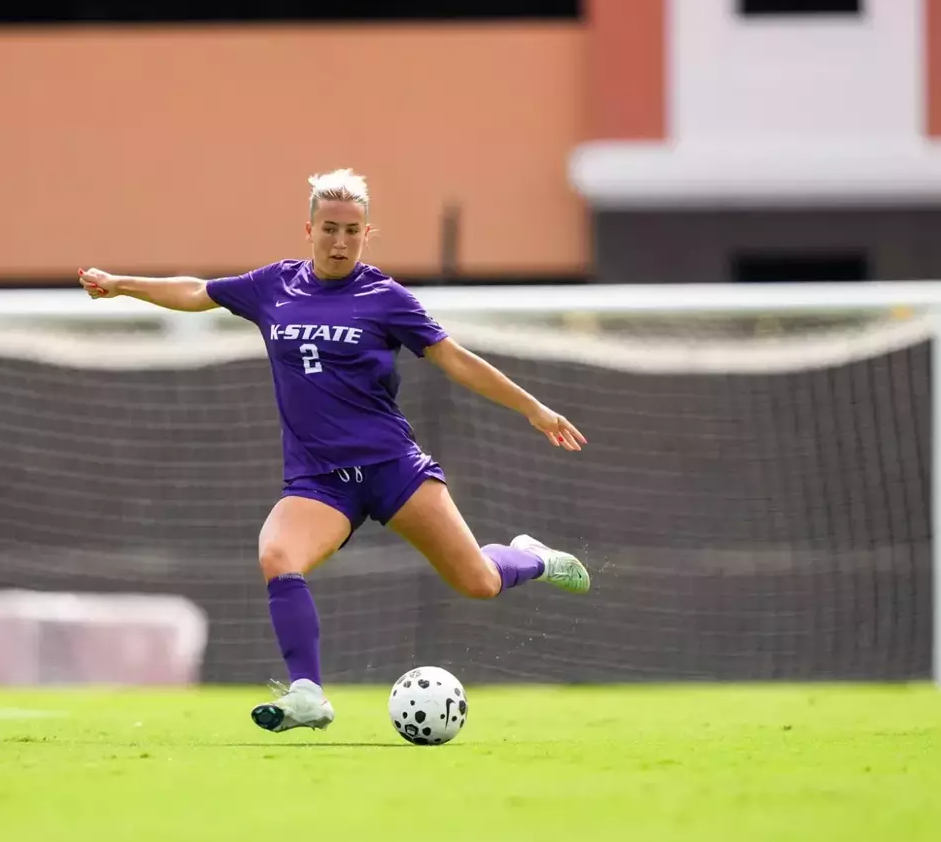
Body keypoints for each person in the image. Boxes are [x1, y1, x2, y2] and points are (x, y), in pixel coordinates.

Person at [79, 168, 589, 733]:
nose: (340, 241)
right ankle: (307, 694)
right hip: (320, 481)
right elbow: (198, 292)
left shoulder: (385, 298)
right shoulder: (273, 286)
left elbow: (455, 358)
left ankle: (534, 557)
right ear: (309, 228)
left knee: (479, 583)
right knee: (277, 555)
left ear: (368, 234)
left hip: (393, 468)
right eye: (329, 229)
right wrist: (122, 283)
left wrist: (532, 408)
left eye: (352, 230)